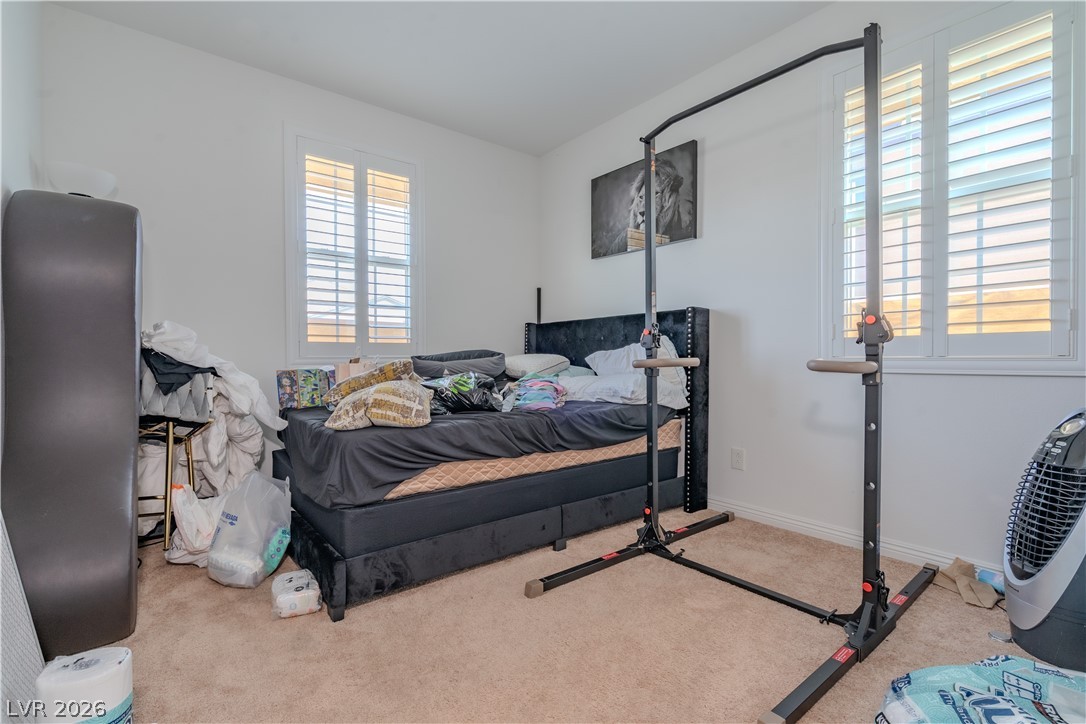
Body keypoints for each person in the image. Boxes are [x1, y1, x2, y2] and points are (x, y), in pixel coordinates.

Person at [615, 158, 692, 251]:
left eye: (655, 194)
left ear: (671, 197)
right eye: (641, 197)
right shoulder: (624, 239)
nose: (642, 209)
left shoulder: (686, 233)